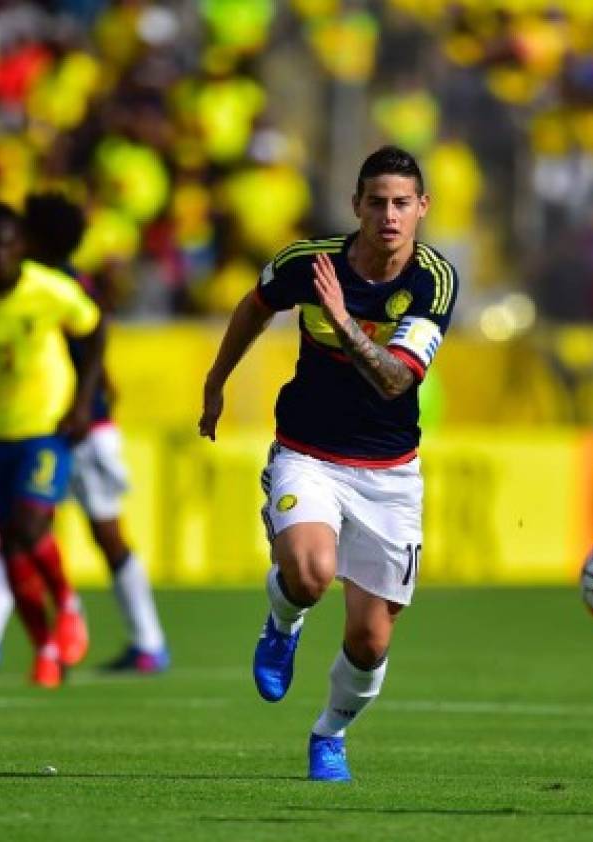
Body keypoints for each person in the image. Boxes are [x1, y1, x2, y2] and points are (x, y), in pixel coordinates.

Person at [199, 146, 458, 781]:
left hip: (389, 475)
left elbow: (396, 380)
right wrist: (217, 379)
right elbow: (255, 305)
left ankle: (329, 734)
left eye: (402, 204)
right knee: (310, 572)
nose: (389, 216)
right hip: (308, 454)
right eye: (377, 203)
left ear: (422, 208)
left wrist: (343, 322)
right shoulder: (308, 263)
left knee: (370, 642)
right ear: (357, 208)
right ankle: (282, 623)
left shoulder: (433, 281)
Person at [0, 194, 169, 676]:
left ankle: (147, 640)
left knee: (102, 533)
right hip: (36, 425)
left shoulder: (57, 286)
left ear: (33, 238)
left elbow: (93, 347)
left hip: (81, 427)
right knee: (21, 531)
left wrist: (88, 404)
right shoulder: (17, 284)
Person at [0, 199, 103, 688]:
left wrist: (82, 403)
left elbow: (95, 332)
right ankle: (44, 646)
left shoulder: (50, 289)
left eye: (8, 243)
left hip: (45, 429)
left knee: (32, 525)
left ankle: (69, 606)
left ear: (23, 247)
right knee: (11, 545)